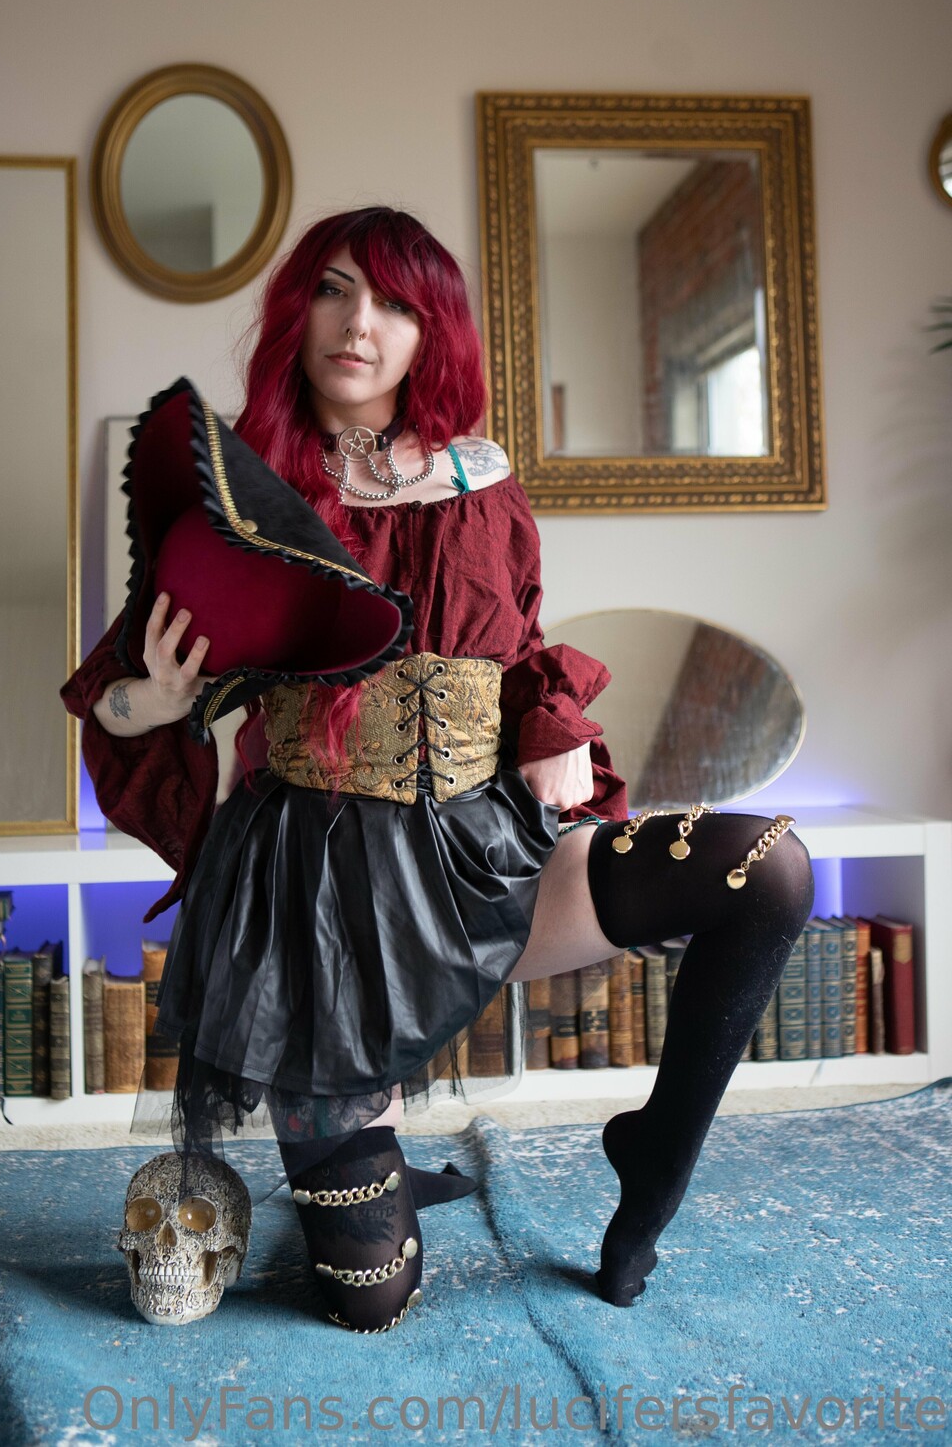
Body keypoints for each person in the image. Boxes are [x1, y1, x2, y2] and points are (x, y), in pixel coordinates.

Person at [62, 206, 814, 1333]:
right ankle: (369, 1166)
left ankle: (653, 1163)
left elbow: (522, 648)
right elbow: (112, 694)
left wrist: (553, 725)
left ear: (432, 332)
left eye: (396, 303)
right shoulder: (240, 487)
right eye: (333, 289)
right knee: (372, 1300)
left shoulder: (482, 483)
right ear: (297, 309)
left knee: (772, 869)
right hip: (321, 914)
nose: (358, 323)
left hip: (488, 861)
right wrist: (160, 702)